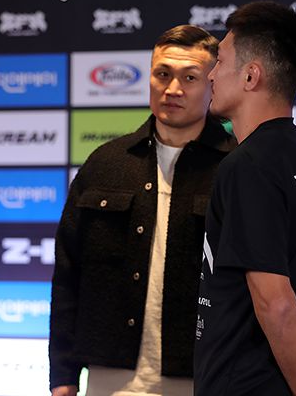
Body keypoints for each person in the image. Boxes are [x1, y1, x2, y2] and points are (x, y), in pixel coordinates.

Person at [49, 24, 236, 396]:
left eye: (190, 77)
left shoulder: (236, 168)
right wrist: (62, 373)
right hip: (110, 376)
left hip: (207, 375)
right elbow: (69, 273)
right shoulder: (105, 163)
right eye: (162, 74)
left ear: (212, 84)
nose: (172, 89)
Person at [194, 1, 296, 396]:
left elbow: (275, 302)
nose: (211, 74)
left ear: (251, 76)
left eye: (220, 61)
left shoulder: (247, 166)